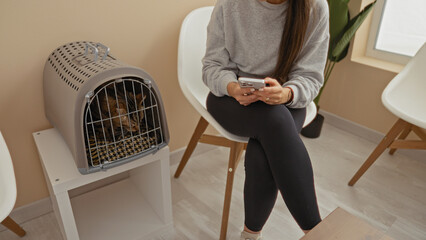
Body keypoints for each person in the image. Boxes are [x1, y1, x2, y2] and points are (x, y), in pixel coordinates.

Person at [202, 0, 329, 239]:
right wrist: (232, 87)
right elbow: (212, 66)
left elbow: (310, 76)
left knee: (267, 139)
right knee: (275, 123)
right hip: (231, 97)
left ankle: (250, 235)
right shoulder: (231, 4)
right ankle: (317, 232)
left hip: (285, 96)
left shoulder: (314, 7)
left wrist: (287, 93)